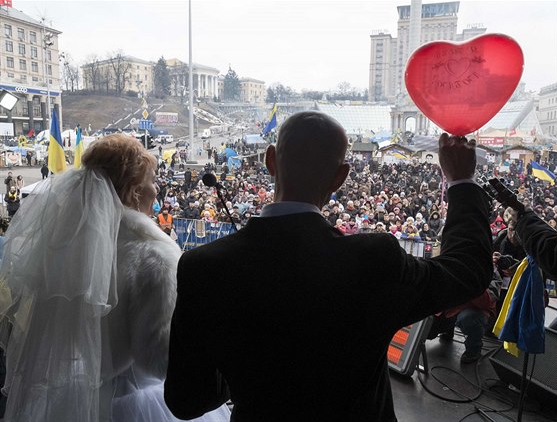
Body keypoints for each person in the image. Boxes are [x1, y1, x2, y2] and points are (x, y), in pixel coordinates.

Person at [164, 111, 492, 422]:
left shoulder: (202, 268)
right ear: (340, 177)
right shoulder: (374, 260)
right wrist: (461, 180)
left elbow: (188, 399)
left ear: (270, 160)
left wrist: (241, 365)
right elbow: (466, 271)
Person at [0, 134, 230, 422]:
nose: (157, 189)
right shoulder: (155, 255)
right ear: (134, 190)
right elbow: (159, 360)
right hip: (140, 403)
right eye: (153, 179)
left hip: (84, 398)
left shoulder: (70, 248)